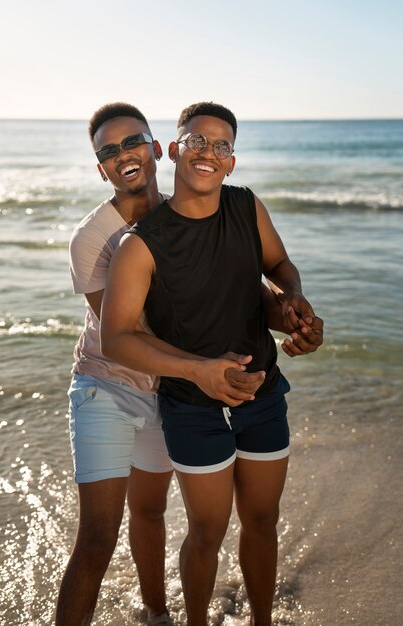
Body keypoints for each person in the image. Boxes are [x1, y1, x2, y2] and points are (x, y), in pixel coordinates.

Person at [56, 102, 321, 626]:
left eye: (132, 142)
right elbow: (126, 335)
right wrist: (206, 366)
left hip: (170, 386)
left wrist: (290, 312)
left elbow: (238, 287)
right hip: (111, 385)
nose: (123, 155)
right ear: (176, 149)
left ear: (157, 149)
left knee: (156, 512)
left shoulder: (222, 207)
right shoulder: (108, 240)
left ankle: (158, 612)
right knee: (100, 534)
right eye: (107, 151)